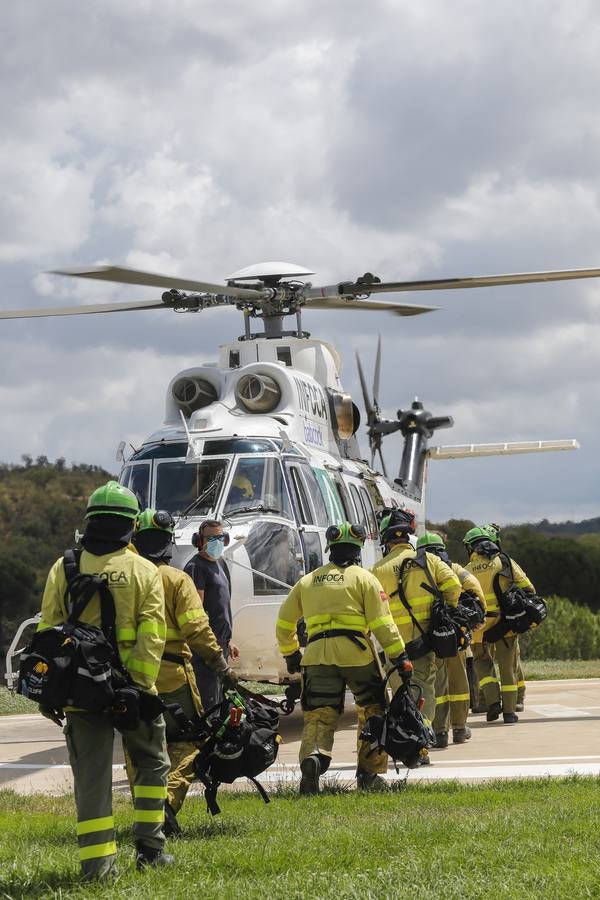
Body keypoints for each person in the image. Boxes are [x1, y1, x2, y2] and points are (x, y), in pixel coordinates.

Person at [36, 481, 172, 880]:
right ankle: (151, 848)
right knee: (151, 765)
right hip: (134, 688)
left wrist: (51, 689)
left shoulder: (64, 567)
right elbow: (152, 631)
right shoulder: (144, 570)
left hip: (81, 691)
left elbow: (48, 631)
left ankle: (97, 869)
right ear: (131, 525)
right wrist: (140, 685)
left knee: (92, 779)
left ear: (89, 522)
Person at [276, 522, 411, 794]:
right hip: (357, 656)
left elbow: (284, 622)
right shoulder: (365, 579)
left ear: (330, 549)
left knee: (318, 714)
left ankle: (313, 759)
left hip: (316, 656)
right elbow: (382, 623)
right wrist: (400, 656)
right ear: (358, 549)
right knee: (373, 711)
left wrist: (290, 653)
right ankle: (369, 775)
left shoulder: (308, 580)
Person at [132, 509, 239, 836]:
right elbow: (197, 626)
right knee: (194, 741)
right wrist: (220, 664)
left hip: (130, 678)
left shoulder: (124, 577)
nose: (218, 544)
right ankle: (166, 803)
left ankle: (146, 817)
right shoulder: (179, 578)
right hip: (173, 674)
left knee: (139, 749)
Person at [370, 510, 461, 763]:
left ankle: (407, 745)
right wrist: (446, 611)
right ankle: (421, 745)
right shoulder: (429, 560)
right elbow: (454, 586)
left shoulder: (377, 569)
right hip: (424, 643)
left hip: (394, 648)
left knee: (400, 696)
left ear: (387, 540)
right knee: (423, 693)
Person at [416, 532, 486, 748]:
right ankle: (459, 728)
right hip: (455, 634)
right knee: (459, 681)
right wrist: (477, 616)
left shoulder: (416, 571)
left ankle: (439, 732)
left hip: (429, 637)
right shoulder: (455, 568)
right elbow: (474, 588)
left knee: (436, 683)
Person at [464, 525, 536, 724]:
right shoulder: (504, 561)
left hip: (479, 627)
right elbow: (528, 588)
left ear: (471, 548)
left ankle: (493, 702)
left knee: (482, 663)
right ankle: (510, 712)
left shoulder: (466, 570)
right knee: (507, 667)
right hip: (506, 624)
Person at [184, 519, 240, 710]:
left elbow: (221, 606)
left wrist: (228, 639)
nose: (217, 541)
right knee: (209, 703)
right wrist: (212, 642)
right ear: (199, 540)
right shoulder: (195, 568)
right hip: (207, 649)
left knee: (219, 699)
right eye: (211, 538)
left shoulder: (220, 564)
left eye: (220, 537)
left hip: (221, 643)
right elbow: (196, 611)